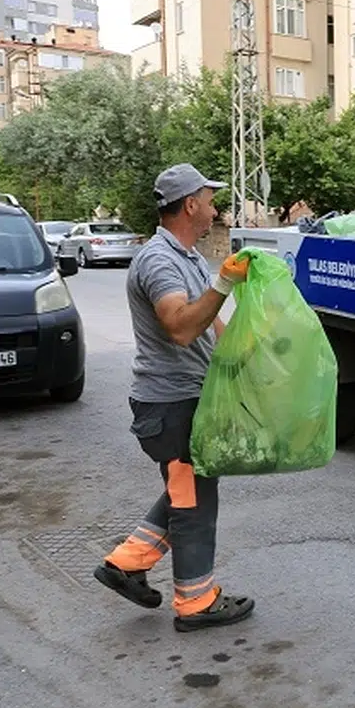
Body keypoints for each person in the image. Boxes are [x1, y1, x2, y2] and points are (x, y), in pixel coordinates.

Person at [93, 163, 255, 632]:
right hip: (172, 407)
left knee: (186, 492)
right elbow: (183, 327)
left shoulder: (186, 257)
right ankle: (196, 602)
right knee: (193, 502)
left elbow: (211, 328)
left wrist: (253, 355)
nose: (214, 208)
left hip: (187, 402)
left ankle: (125, 563)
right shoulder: (159, 260)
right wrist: (223, 284)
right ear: (190, 205)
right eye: (209, 199)